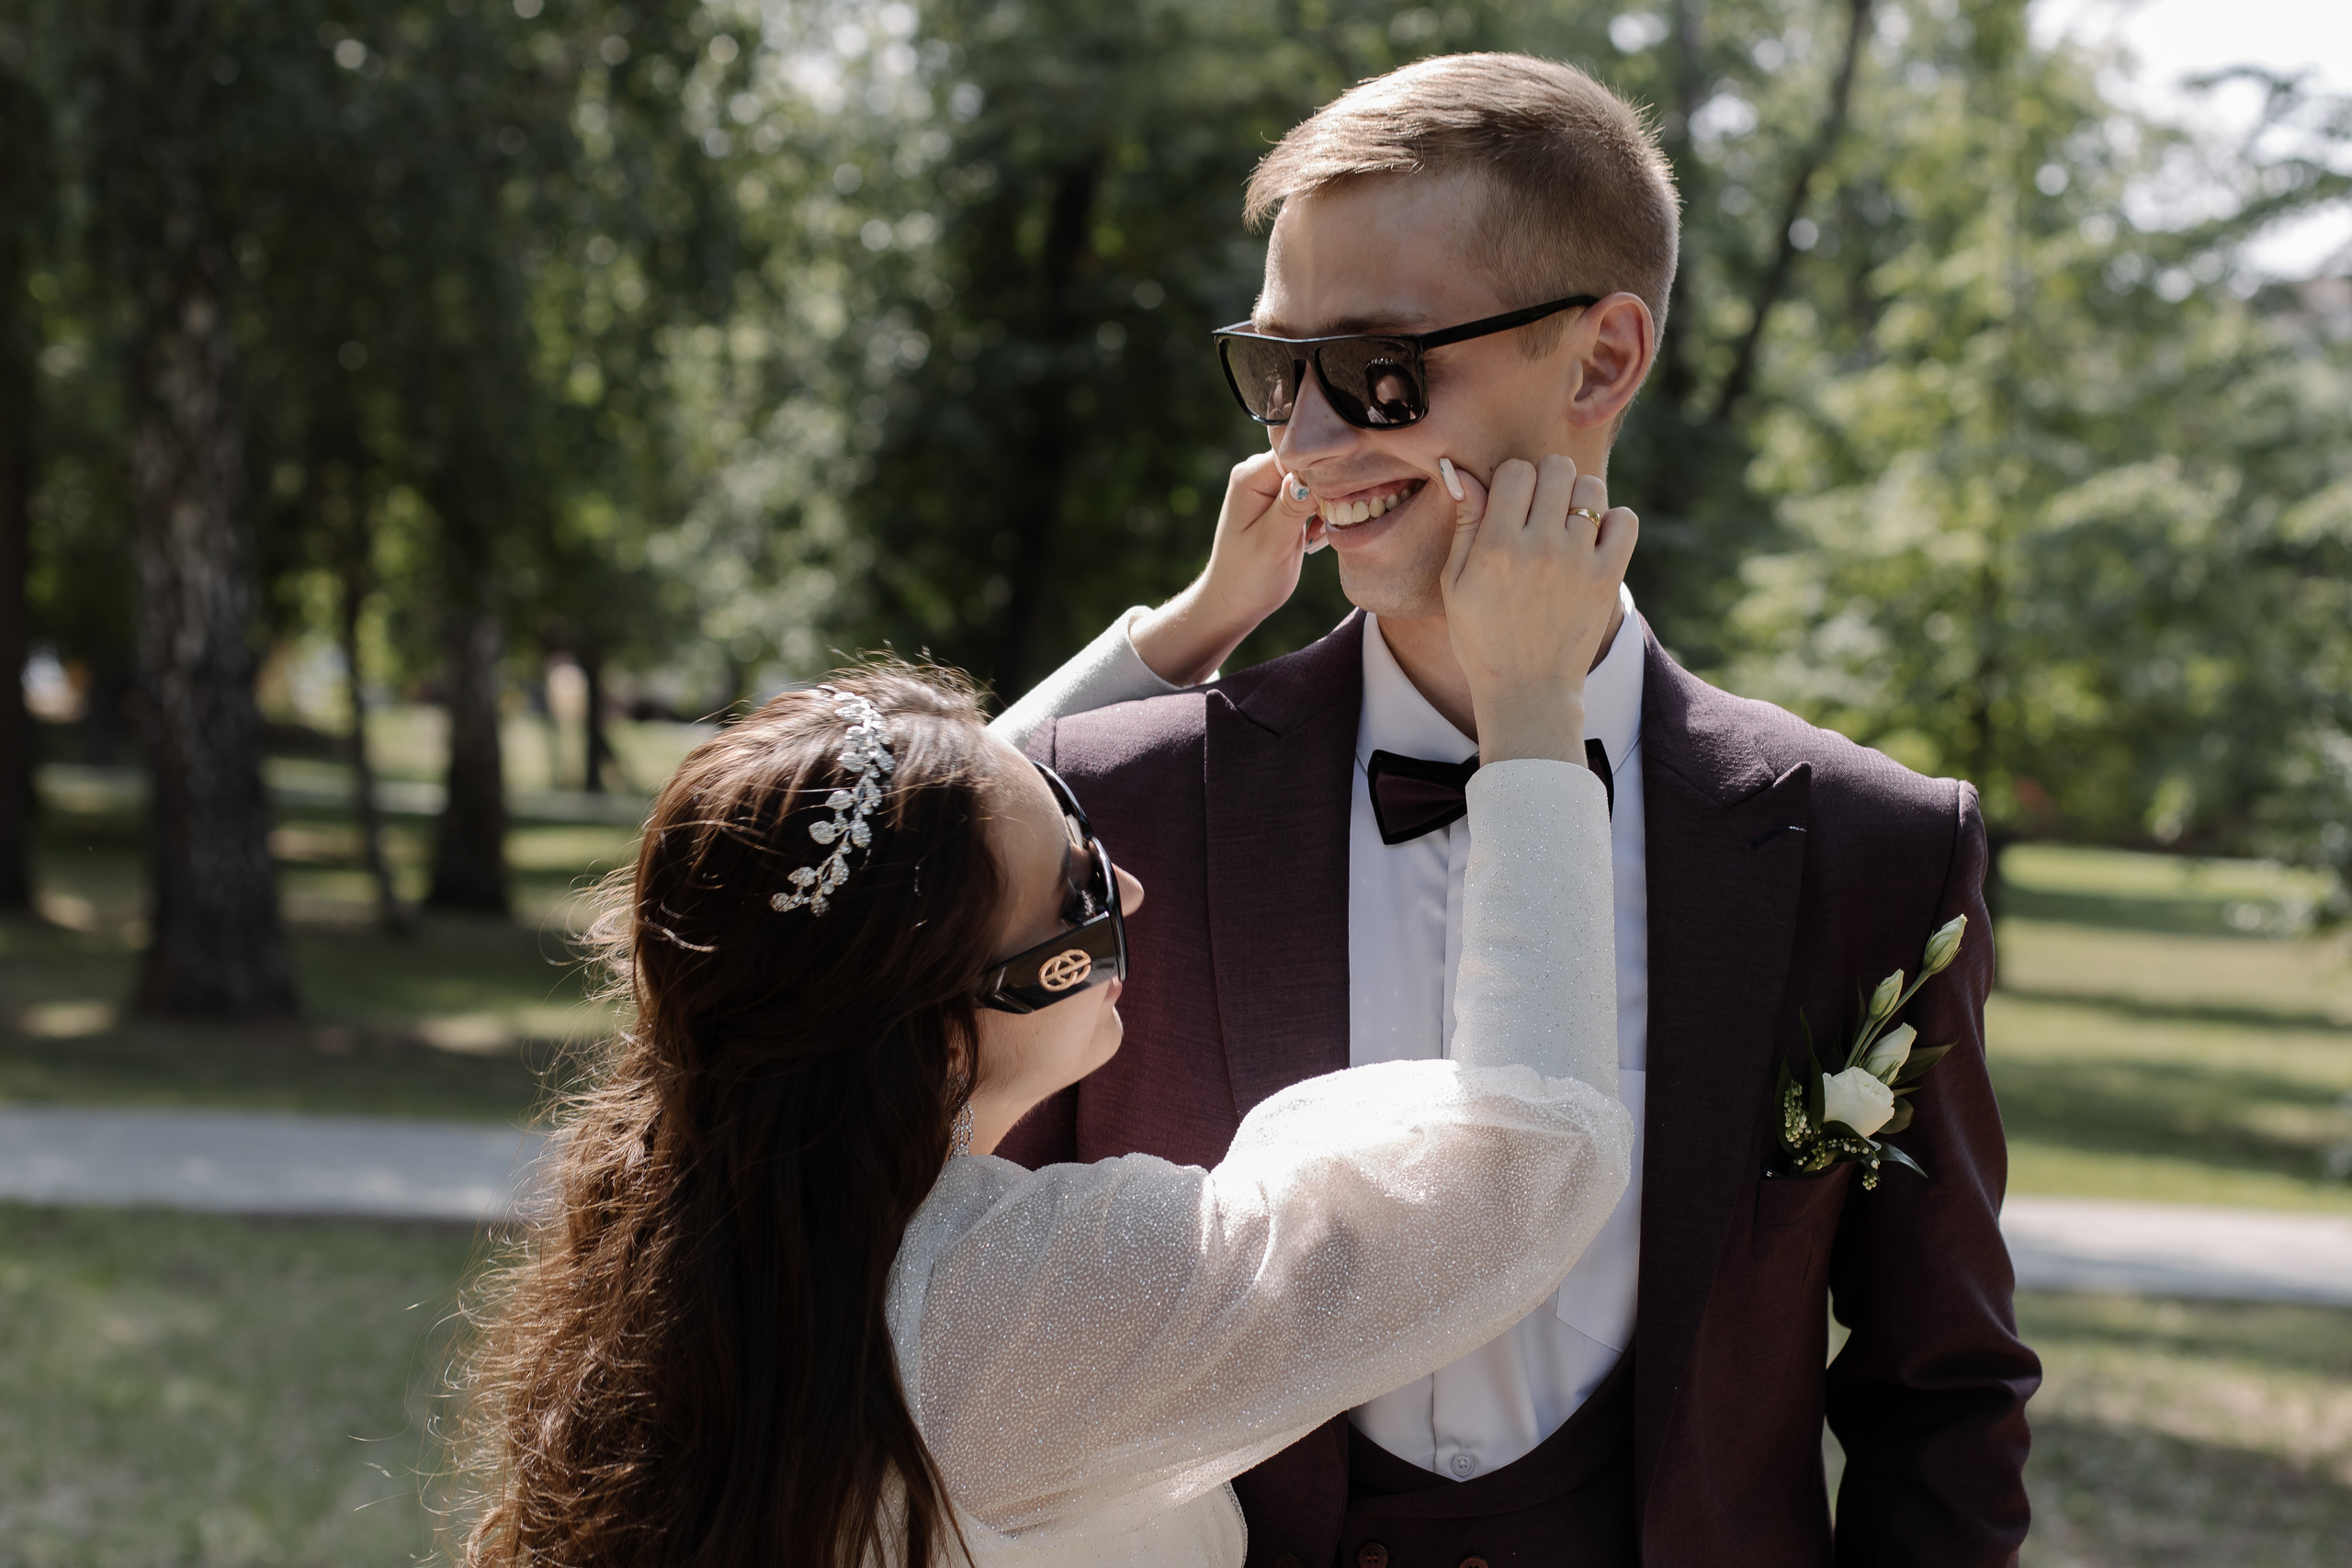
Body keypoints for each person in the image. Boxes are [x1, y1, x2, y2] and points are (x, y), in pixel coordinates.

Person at [993, 51, 2041, 1568]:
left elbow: (1941, 1394)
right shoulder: (1126, 807)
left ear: (1604, 362)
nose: (1305, 443)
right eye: (1277, 371)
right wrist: (1183, 633)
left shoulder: (1868, 845)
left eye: (1378, 372)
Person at [454, 455, 1638, 1566]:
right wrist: (1532, 708)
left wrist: (1195, 622)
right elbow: (1528, 1164)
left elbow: (877, 875)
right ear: (936, 1025)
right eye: (1079, 893)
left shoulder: (709, 1179)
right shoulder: (1015, 1311)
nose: (1123, 887)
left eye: (1081, 821)